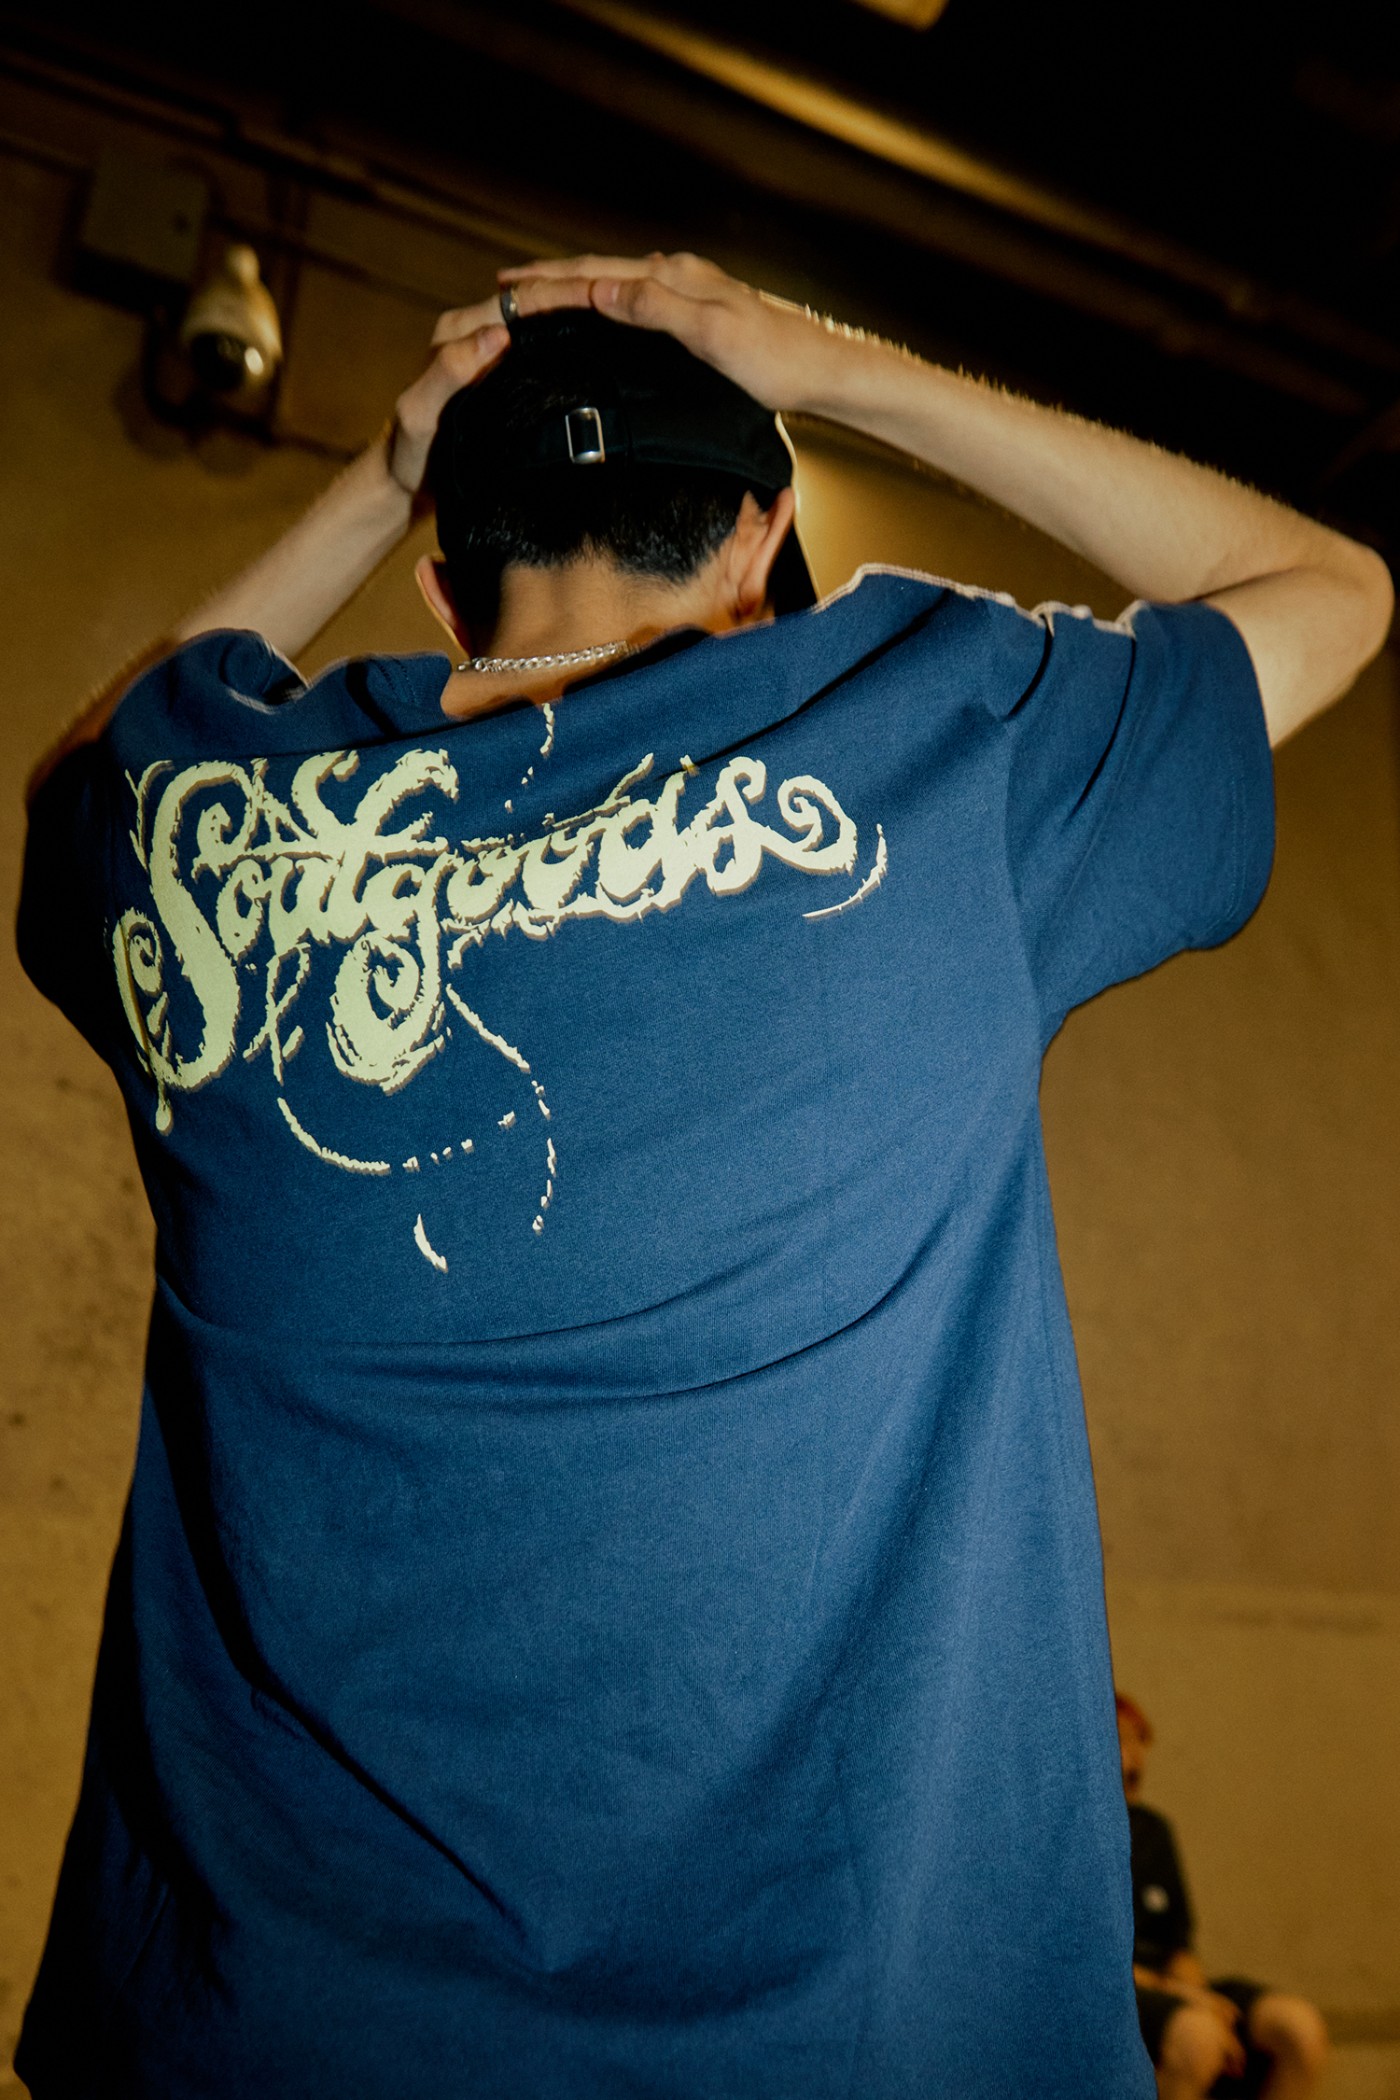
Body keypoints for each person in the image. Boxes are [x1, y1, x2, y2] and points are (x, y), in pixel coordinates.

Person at [13, 251, 1389, 2099]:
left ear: (441, 576)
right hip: (826, 2044)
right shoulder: (929, 734)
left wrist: (377, 475)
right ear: (762, 541)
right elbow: (1331, 590)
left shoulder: (205, 841)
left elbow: (74, 782)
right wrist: (852, 370)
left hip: (269, 2037)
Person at [1117, 1694, 1329, 2100]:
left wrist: (1206, 1998)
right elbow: (1093, 1962)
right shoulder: (1075, 1844)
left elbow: (1180, 1949)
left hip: (1172, 1985)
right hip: (1123, 1987)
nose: (1135, 1754)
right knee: (1198, 2040)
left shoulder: (1155, 1831)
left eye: (1140, 1740)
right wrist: (1182, 1998)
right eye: (1122, 1739)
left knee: (1299, 2028)